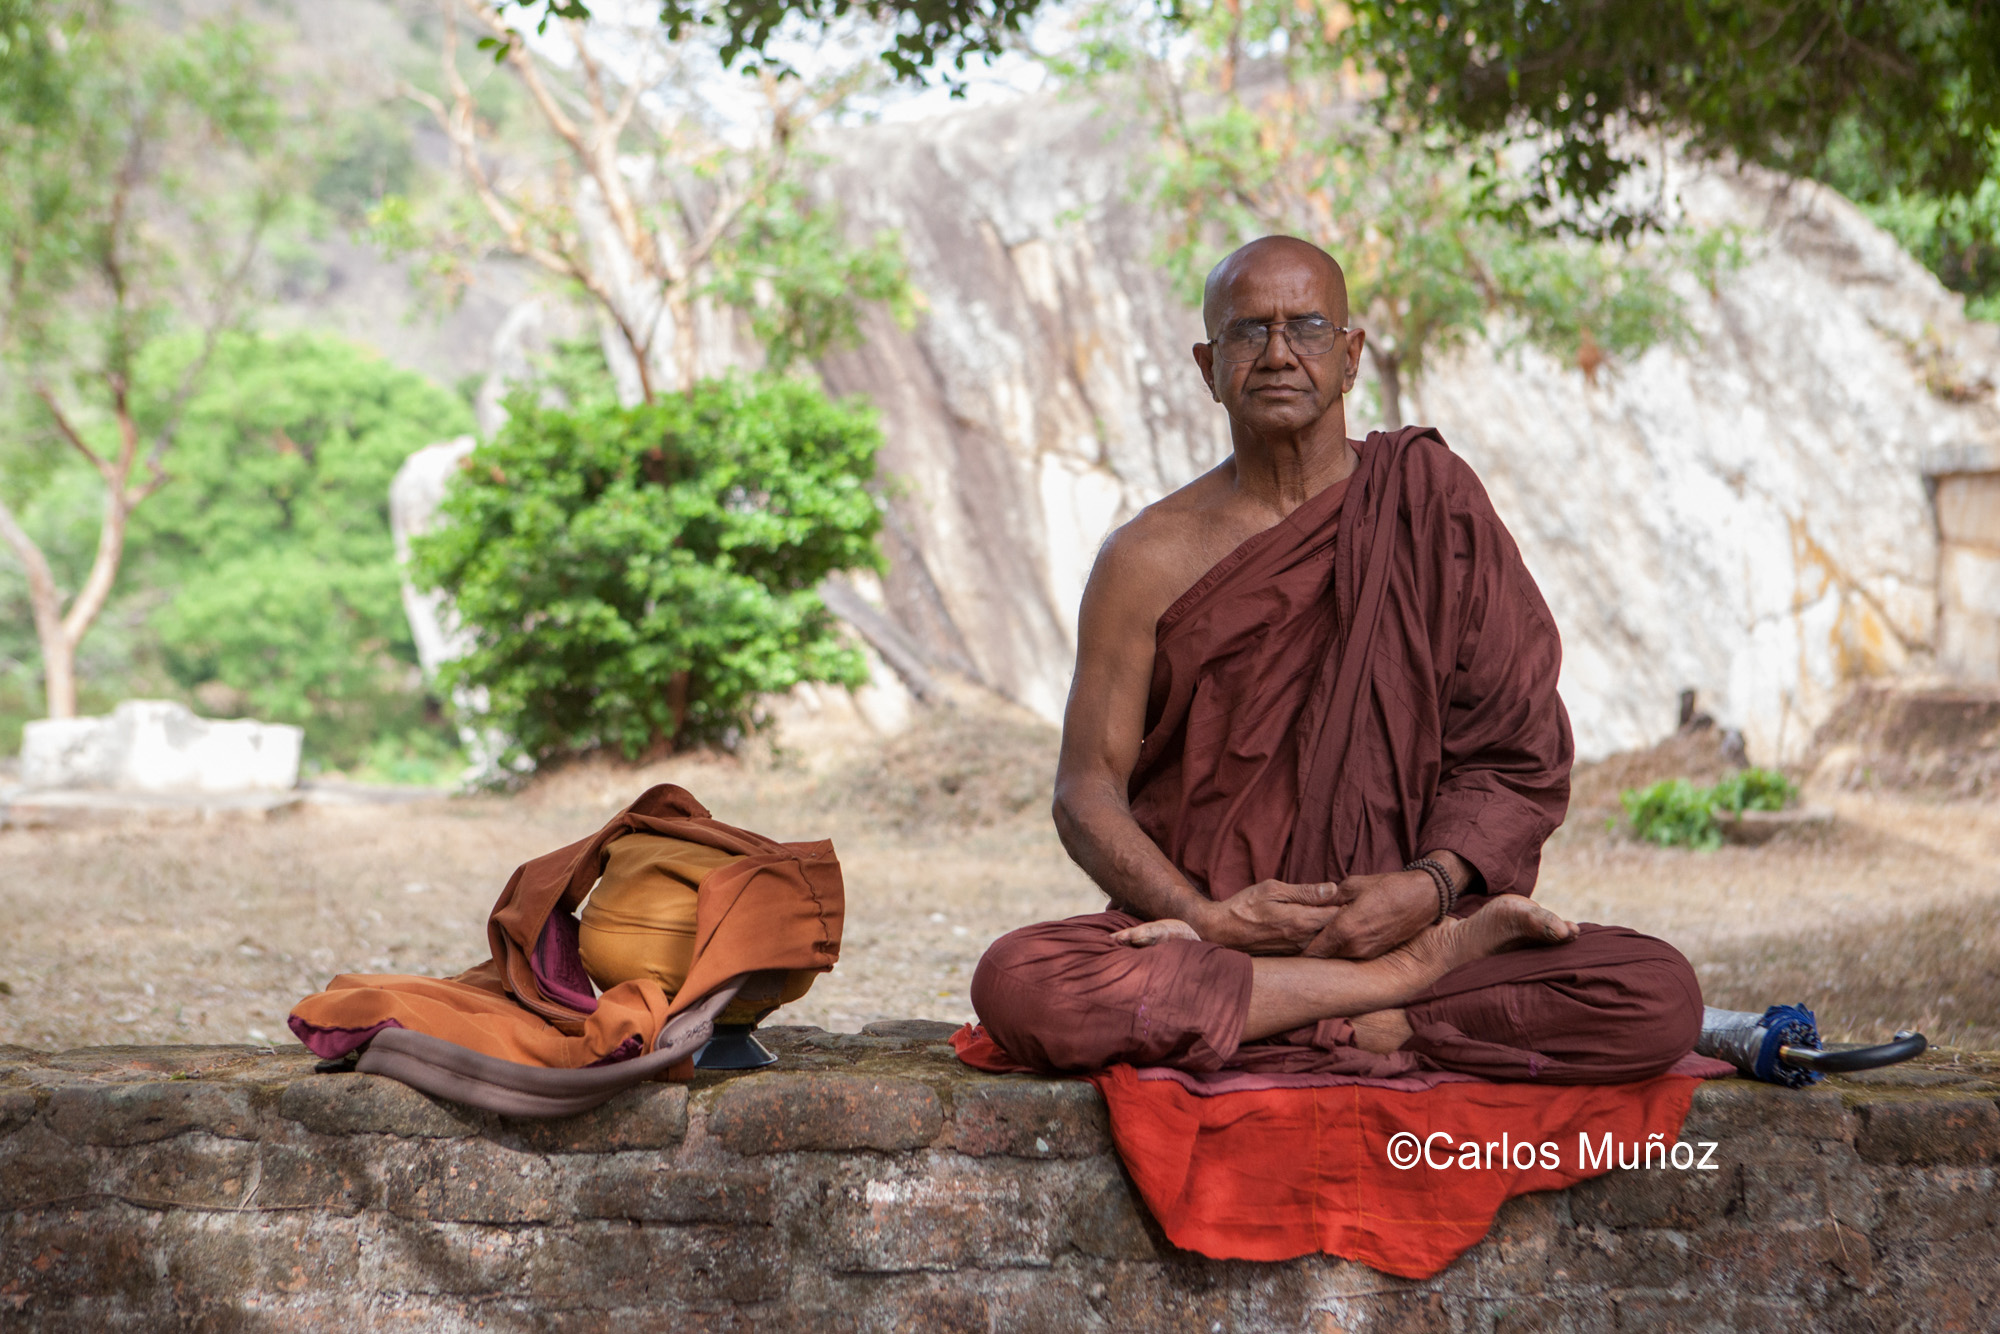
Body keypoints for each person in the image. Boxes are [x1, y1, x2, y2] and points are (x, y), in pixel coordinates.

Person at [970, 235, 1701, 1083]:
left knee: (1653, 991)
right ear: (1209, 367)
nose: (1279, 354)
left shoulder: (1431, 506)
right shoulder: (1143, 559)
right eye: (1249, 332)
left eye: (1308, 328)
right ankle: (1389, 1002)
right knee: (1022, 983)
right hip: (1211, 936)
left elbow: (1515, 752)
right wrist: (1204, 918)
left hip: (1408, 919)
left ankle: (1287, 1007)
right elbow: (1085, 791)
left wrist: (1428, 889)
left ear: (1351, 357)